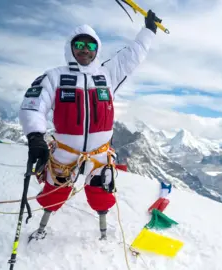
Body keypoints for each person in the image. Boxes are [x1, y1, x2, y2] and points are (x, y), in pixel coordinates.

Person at [19, 10, 161, 241]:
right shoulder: (54, 77)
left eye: (90, 45)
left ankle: (103, 234)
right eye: (80, 44)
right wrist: (35, 135)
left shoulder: (106, 75)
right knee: (54, 193)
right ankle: (43, 226)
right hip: (64, 154)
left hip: (100, 156)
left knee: (101, 194)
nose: (85, 49)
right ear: (71, 48)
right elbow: (33, 106)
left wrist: (149, 30)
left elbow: (132, 56)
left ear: (97, 49)